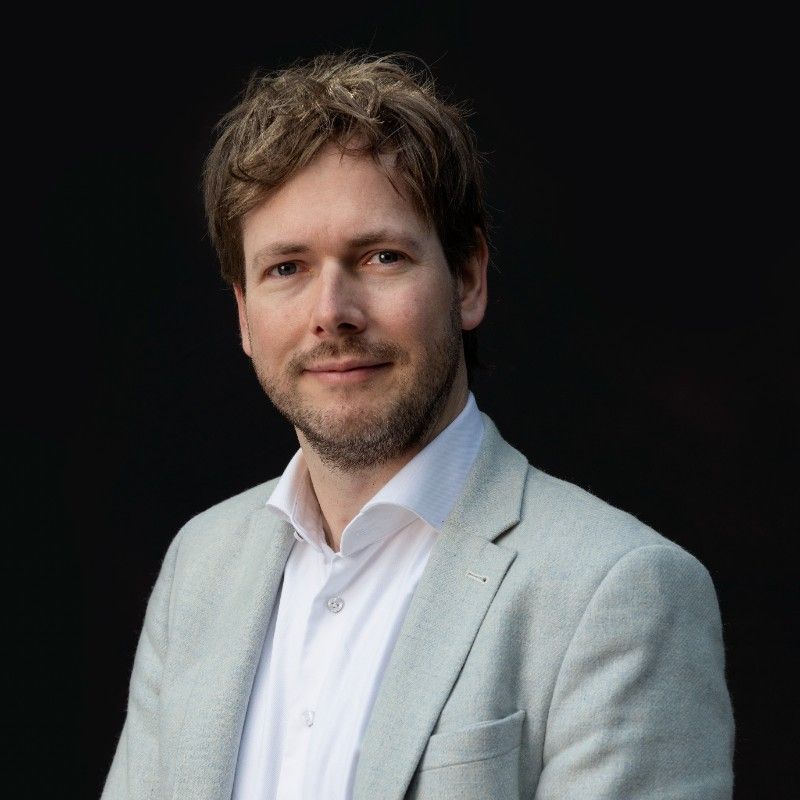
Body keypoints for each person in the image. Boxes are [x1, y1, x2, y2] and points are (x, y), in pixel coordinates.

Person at [101, 52, 735, 800]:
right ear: (243, 314)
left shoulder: (619, 591)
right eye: (286, 268)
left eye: (381, 256)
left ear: (468, 280)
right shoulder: (199, 566)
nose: (332, 312)